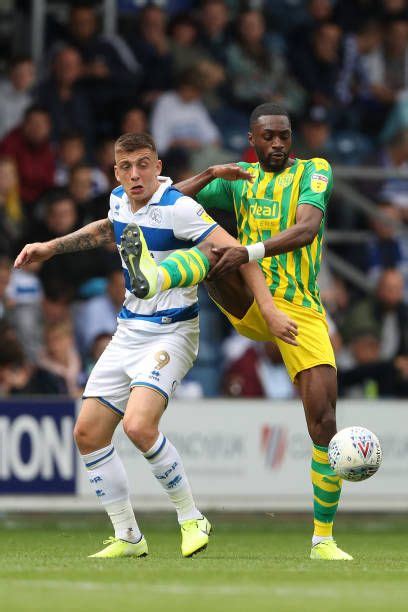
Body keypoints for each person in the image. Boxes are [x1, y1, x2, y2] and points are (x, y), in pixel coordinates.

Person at [14, 132, 296, 559]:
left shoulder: (180, 209)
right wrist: (51, 248)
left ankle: (190, 517)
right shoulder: (118, 200)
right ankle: (128, 536)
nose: (134, 174)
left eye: (143, 164)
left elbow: (238, 251)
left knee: (138, 426)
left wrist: (270, 311)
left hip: (172, 331)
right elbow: (106, 229)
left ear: (158, 166)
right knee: (87, 434)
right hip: (128, 330)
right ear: (115, 172)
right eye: (125, 167)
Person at [127, 103, 352, 560]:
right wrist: (210, 173)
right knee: (208, 246)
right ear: (252, 140)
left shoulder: (315, 171)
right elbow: (162, 205)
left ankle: (323, 540)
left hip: (302, 311)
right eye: (267, 137)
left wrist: (249, 251)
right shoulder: (240, 181)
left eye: (284, 136)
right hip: (252, 301)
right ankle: (154, 277)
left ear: (292, 138)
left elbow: (307, 229)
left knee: (324, 422)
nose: (277, 145)